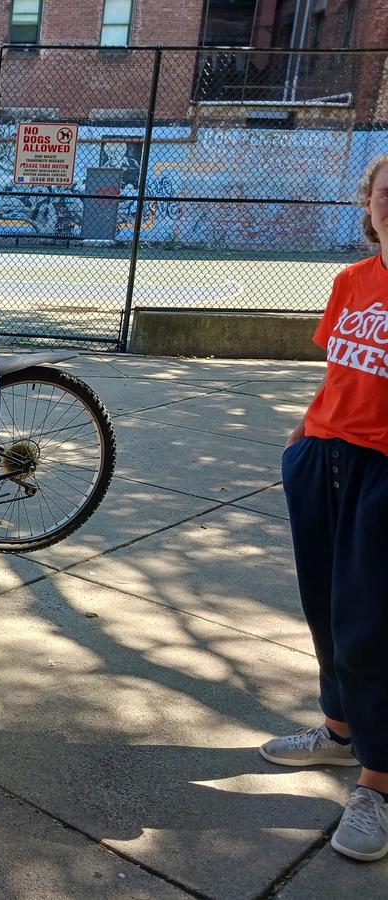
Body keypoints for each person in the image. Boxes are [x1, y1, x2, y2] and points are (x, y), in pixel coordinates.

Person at [259, 155, 388, 863]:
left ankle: (378, 782)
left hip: (383, 472)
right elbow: (341, 372)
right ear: (368, 204)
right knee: (325, 608)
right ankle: (339, 733)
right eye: (385, 193)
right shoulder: (351, 281)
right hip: (324, 457)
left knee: (371, 624)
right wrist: (305, 432)